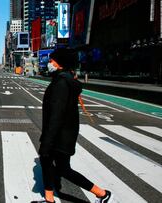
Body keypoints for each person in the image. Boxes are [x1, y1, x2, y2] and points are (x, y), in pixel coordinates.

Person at [39, 48, 113, 203]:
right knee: (46, 162)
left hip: (60, 135)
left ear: (60, 64)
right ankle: (49, 199)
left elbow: (56, 115)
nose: (49, 63)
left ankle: (101, 193)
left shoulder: (61, 83)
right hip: (64, 133)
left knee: (63, 169)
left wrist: (47, 141)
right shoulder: (62, 80)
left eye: (52, 61)